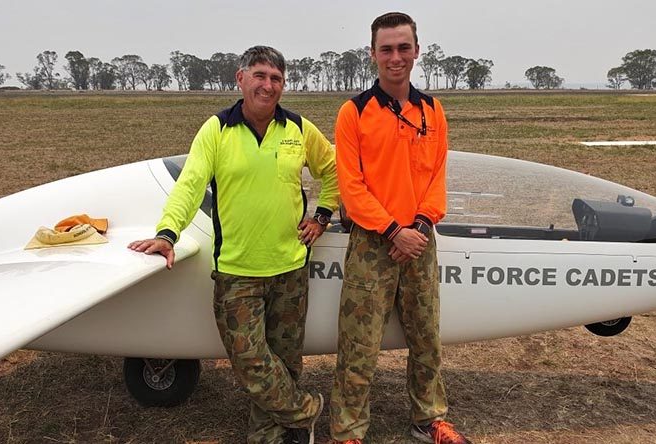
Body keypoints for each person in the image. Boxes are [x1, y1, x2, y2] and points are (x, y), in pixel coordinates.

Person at [128, 46, 338, 444]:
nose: (268, 85)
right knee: (251, 362)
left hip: (290, 267)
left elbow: (333, 170)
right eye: (259, 75)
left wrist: (322, 215)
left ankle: (273, 434)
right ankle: (307, 409)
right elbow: (189, 185)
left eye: (276, 78)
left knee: (285, 360)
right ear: (240, 79)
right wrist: (167, 233)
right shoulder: (217, 129)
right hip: (237, 272)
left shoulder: (298, 128)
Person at [329, 12, 471, 444]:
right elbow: (351, 188)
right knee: (359, 344)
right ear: (372, 54)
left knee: (426, 336)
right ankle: (348, 430)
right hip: (373, 243)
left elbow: (437, 176)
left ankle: (429, 420)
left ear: (417, 51)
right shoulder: (353, 113)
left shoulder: (433, 110)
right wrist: (393, 231)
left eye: (403, 47)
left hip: (420, 242)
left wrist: (421, 226)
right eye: (387, 49)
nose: (396, 57)